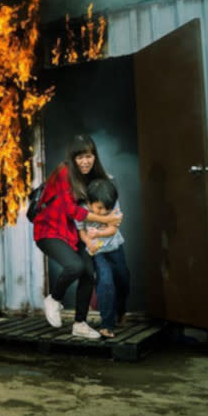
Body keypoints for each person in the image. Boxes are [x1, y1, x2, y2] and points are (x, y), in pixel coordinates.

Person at [33, 134, 122, 339]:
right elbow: (71, 210)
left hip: (73, 233)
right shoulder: (64, 171)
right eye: (79, 157)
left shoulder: (93, 175)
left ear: (94, 156)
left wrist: (111, 217)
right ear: (72, 159)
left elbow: (104, 196)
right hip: (49, 230)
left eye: (88, 156)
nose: (84, 161)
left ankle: (80, 324)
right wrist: (108, 221)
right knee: (75, 266)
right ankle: (54, 299)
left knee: (88, 273)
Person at [76, 178, 130, 339]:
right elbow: (81, 231)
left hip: (115, 248)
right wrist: (88, 242)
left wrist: (98, 233)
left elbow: (113, 228)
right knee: (105, 282)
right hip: (97, 252)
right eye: (99, 208)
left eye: (107, 209)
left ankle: (120, 312)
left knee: (124, 280)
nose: (103, 212)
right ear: (88, 202)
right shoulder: (81, 210)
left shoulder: (113, 202)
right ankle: (107, 325)